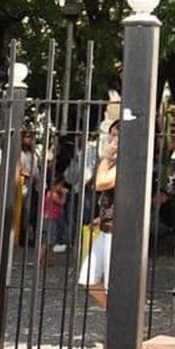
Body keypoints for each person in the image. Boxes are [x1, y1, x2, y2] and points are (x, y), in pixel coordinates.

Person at [78, 120, 118, 309]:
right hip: (106, 227)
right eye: (111, 135)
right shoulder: (115, 162)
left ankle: (121, 331)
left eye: (116, 135)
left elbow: (101, 183)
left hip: (118, 230)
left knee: (114, 286)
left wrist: (107, 156)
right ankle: (116, 319)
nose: (112, 140)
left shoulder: (127, 161)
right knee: (88, 278)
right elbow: (97, 183)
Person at [40, 176, 67, 267]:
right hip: (50, 219)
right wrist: (64, 194)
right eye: (60, 186)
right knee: (46, 241)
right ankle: (39, 260)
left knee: (51, 241)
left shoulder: (51, 193)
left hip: (53, 219)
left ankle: (50, 261)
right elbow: (62, 202)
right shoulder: (52, 194)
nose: (61, 188)